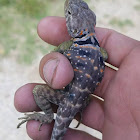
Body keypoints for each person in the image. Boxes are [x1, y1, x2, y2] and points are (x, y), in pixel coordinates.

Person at [14, 17, 140, 140]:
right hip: (81, 101)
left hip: (72, 100)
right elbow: (105, 56)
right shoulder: (99, 50)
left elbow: (57, 51)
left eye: (69, 14)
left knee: (37, 91)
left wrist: (59, 51)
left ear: (74, 29)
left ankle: (48, 116)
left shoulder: (70, 44)